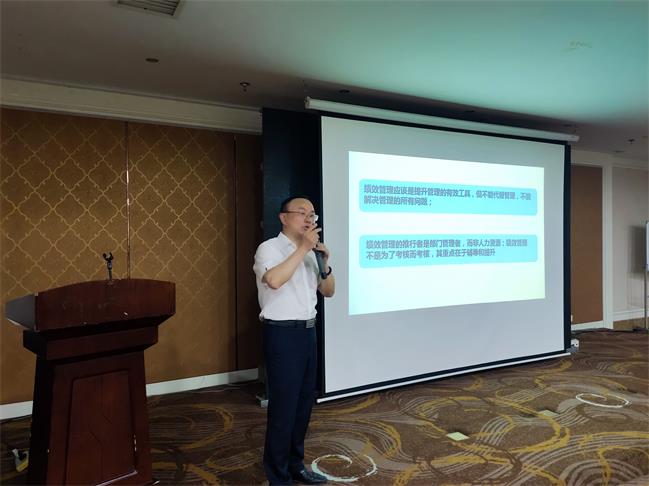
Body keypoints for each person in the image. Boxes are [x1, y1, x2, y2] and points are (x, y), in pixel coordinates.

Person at [253, 196, 335, 485]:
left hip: (308, 332)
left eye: (312, 214)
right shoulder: (269, 248)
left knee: (302, 406)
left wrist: (325, 263)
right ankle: (278, 477)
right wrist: (303, 249)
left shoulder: (311, 252)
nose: (309, 219)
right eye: (302, 213)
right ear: (283, 217)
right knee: (283, 410)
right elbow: (274, 281)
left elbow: (328, 291)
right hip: (282, 335)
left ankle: (295, 465)